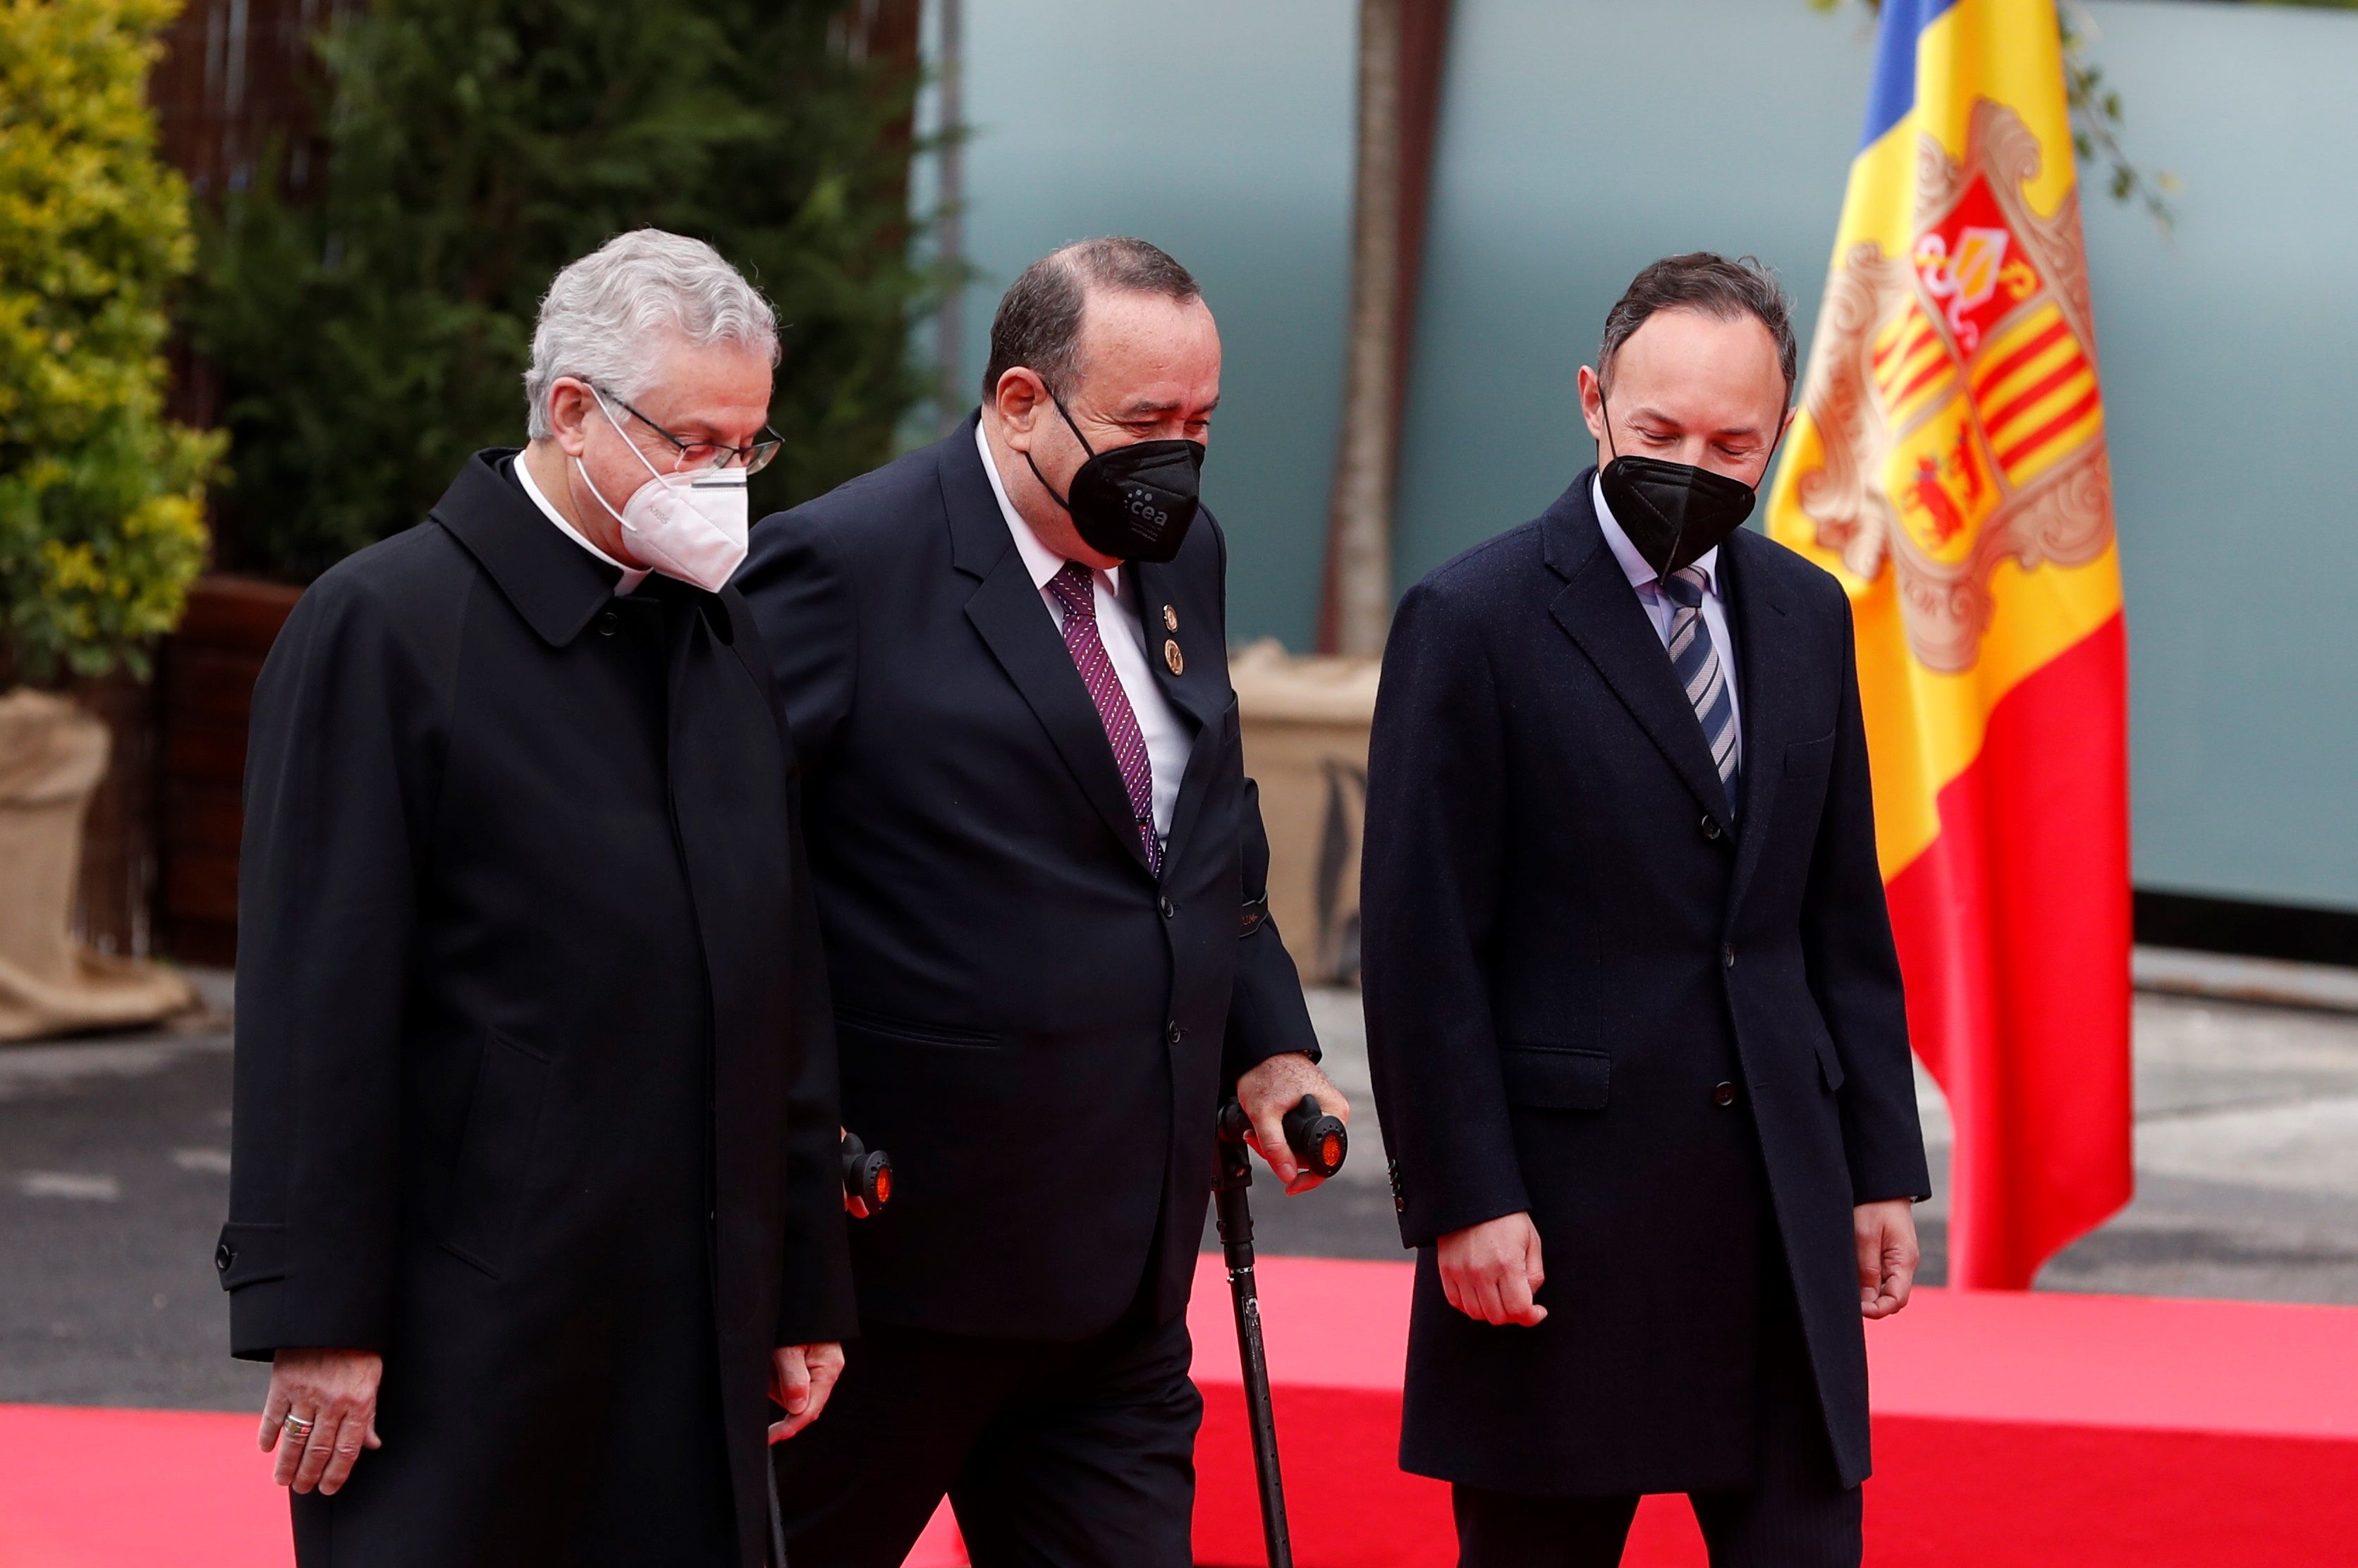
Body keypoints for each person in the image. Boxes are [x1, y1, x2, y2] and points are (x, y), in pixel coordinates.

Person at [216, 229, 854, 1567]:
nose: (723, 480)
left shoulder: (717, 633)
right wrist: (318, 1316)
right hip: (466, 1328)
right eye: (694, 442)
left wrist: (800, 1278)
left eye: (748, 447)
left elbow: (775, 973)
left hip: (693, 1317)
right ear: (572, 411)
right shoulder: (382, 625)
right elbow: (315, 1001)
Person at [735, 235, 1348, 1567]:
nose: (1178, 458)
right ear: (1021, 402)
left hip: (1121, 1281)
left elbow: (1208, 823)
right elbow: (728, 880)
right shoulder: (842, 565)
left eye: (1202, 424)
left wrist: (1269, 1044)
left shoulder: (1183, 553)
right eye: (1145, 421)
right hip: (896, 1275)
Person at [1360, 253, 1931, 1568]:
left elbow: (1839, 912)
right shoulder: (1472, 618)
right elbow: (1421, 944)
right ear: (1593, 402)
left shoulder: (1806, 611)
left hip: (1781, 1218)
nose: (1691, 465)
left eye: (1732, 445)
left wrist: (1877, 1166)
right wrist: (1463, 1197)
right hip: (1562, 1230)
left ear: (1780, 436)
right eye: (1660, 431)